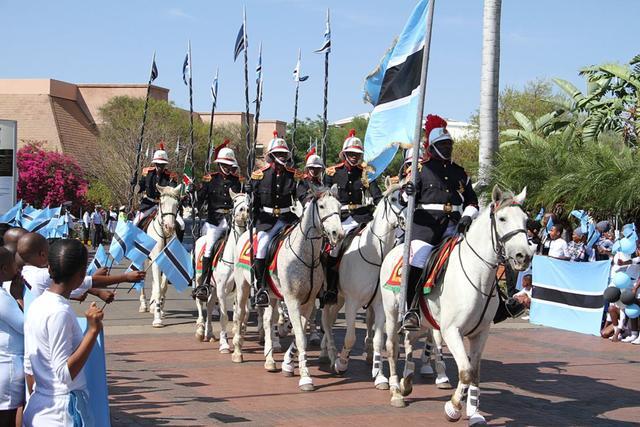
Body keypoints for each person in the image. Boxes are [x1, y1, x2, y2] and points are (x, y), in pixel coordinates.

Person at [401, 114, 479, 330]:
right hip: (425, 227)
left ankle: (495, 305)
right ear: (432, 146)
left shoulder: (460, 173)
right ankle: (412, 309)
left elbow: (473, 201)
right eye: (442, 145)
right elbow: (404, 199)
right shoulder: (420, 169)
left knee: (477, 256)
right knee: (418, 259)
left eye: (449, 144)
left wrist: (466, 216)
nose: (447, 148)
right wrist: (408, 192)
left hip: (454, 225)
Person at [23, 239, 103, 426]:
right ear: (82, 274)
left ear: (49, 268)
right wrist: (92, 331)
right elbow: (64, 374)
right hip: (61, 412)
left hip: (42, 404)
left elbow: (28, 365)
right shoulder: (60, 311)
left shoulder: (37, 304)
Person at [323, 129, 383, 304]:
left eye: (358, 154)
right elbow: (326, 199)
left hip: (361, 217)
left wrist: (381, 205)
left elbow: (376, 194)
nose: (355, 157)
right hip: (340, 218)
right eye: (351, 154)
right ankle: (331, 289)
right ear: (344, 154)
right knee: (334, 250)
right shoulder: (332, 173)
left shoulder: (366, 173)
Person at [248, 132, 301, 307]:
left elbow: (301, 195)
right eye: (278, 154)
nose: (281, 157)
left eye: (284, 154)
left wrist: (308, 200)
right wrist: (253, 218)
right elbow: (254, 203)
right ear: (271, 156)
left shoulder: (292, 175)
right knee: (262, 247)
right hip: (267, 220)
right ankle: (262, 288)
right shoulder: (260, 176)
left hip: (287, 219)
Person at [18, 233, 143, 302]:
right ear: (43, 254)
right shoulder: (42, 275)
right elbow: (86, 281)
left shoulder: (25, 272)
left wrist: (75, 295)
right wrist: (126, 277)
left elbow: (62, 286)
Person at [194, 141, 242, 295]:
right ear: (220, 164)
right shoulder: (210, 179)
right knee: (209, 247)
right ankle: (205, 283)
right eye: (225, 164)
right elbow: (200, 200)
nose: (228, 167)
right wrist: (195, 192)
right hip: (215, 221)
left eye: (230, 164)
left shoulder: (237, 181)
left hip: (233, 220)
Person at [0, 247, 24, 426]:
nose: (18, 268)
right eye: (13, 264)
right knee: (7, 418)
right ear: (3, 269)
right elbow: (25, 325)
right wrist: (19, 298)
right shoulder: (2, 298)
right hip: (7, 366)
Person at [133, 144, 178, 227]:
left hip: (165, 206)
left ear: (165, 165)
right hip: (148, 204)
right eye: (158, 164)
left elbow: (172, 189)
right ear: (155, 164)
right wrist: (135, 185)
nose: (160, 166)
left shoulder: (171, 176)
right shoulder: (147, 173)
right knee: (135, 222)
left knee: (181, 224)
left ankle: (177, 240)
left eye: (162, 165)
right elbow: (140, 187)